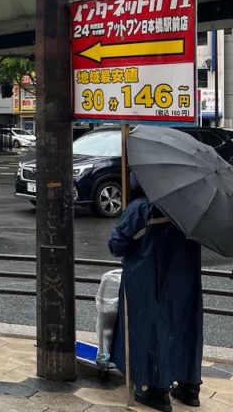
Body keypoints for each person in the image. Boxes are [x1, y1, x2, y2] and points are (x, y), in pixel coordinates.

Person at [109, 175, 202, 412]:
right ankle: (189, 386)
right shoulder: (191, 208)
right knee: (185, 327)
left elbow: (117, 244)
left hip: (148, 278)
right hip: (185, 278)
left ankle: (156, 389)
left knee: (153, 328)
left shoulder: (142, 208)